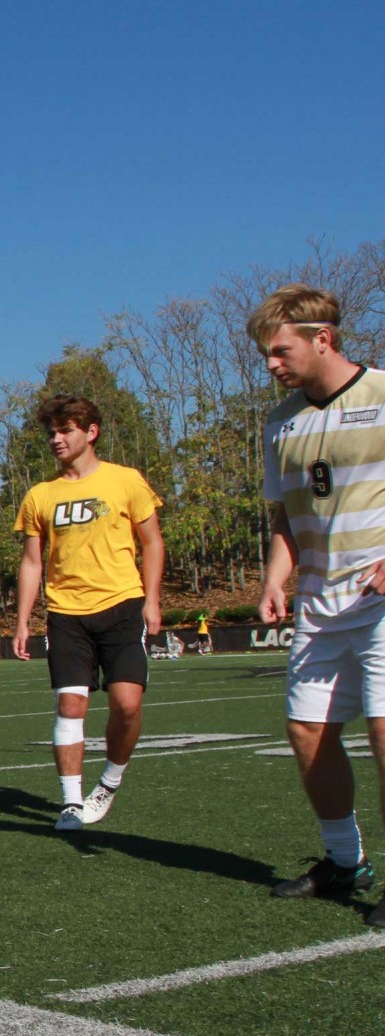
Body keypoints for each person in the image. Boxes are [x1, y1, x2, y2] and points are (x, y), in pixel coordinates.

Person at [251, 284, 385, 925]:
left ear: (322, 338)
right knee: (307, 732)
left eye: (280, 351)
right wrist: (276, 578)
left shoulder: (383, 394)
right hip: (319, 602)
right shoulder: (282, 421)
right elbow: (286, 514)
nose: (272, 364)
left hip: (381, 599)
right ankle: (344, 861)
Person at [11, 394, 163, 832]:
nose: (56, 440)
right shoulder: (40, 495)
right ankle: (72, 803)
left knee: (127, 704)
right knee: (71, 704)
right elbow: (32, 562)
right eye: (51, 433)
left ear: (91, 431)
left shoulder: (126, 481)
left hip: (121, 606)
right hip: (65, 614)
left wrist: (152, 599)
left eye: (66, 431)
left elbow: (152, 541)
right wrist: (23, 619)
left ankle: (108, 784)